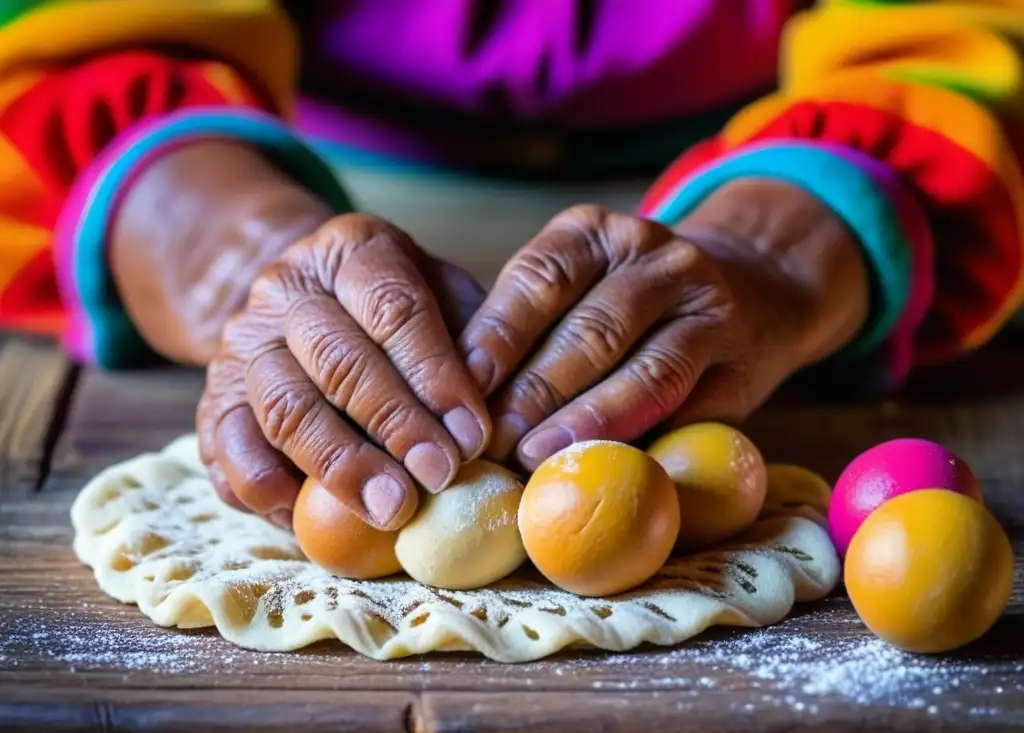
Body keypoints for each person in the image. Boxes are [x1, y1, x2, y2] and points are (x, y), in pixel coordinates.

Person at [1, 1, 1021, 534]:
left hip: (778, 170)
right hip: (278, 164)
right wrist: (236, 257)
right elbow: (55, 34)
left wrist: (774, 257)